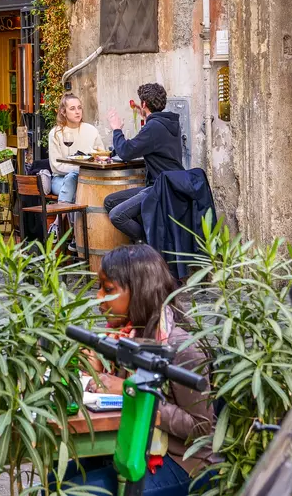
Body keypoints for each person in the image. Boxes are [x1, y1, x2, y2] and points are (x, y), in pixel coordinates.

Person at [63, 244, 213, 495]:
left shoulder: (179, 347)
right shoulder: (129, 333)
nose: (99, 297)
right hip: (129, 447)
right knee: (52, 482)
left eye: (108, 289)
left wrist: (137, 392)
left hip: (182, 462)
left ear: (140, 292)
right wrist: (96, 369)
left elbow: (201, 426)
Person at [103, 83, 184, 241]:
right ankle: (146, 243)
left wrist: (116, 129)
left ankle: (150, 244)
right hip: (169, 186)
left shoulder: (154, 127)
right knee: (110, 201)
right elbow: (144, 146)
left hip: (161, 189)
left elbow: (126, 152)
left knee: (117, 215)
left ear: (144, 104)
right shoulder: (167, 123)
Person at [48, 93, 105, 203]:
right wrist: (79, 170)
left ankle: (60, 219)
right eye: (72, 109)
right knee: (76, 187)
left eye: (79, 108)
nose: (77, 112)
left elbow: (101, 155)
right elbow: (56, 166)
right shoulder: (56, 133)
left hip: (87, 178)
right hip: (61, 179)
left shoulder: (91, 130)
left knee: (86, 190)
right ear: (63, 112)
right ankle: (68, 220)